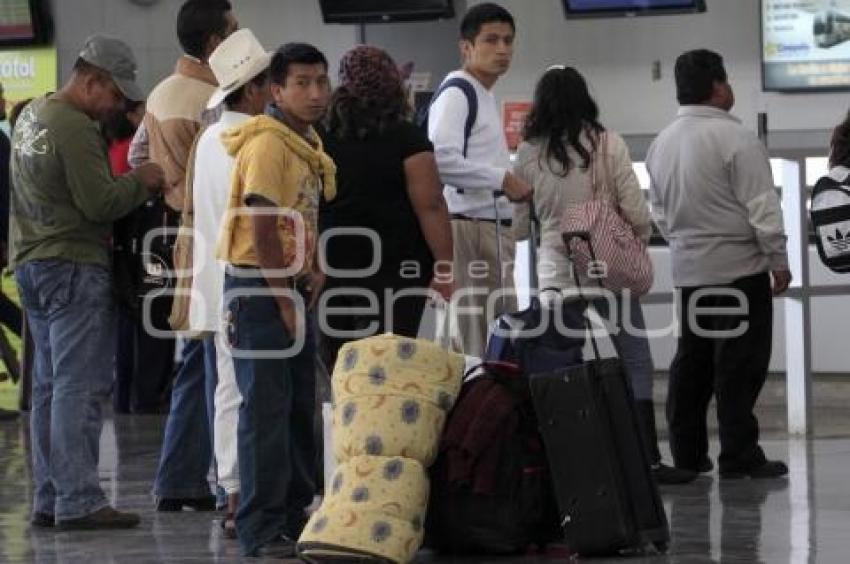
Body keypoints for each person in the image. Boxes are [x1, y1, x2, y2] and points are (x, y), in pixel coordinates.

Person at [514, 65, 697, 485]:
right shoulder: (608, 144)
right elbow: (635, 212)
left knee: (565, 367)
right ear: (585, 98)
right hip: (609, 272)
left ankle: (575, 461)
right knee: (633, 360)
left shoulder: (527, 154)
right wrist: (629, 239)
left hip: (555, 278)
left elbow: (520, 228)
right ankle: (646, 459)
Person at [10, 34, 164, 529]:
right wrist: (144, 180)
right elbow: (100, 203)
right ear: (91, 79)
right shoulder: (74, 126)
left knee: (50, 387)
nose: (117, 106)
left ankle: (51, 498)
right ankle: (79, 499)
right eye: (115, 94)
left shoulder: (33, 114)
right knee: (79, 386)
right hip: (74, 263)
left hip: (33, 261)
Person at [646, 49, 791, 479]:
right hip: (739, 271)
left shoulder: (661, 142)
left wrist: (685, 243)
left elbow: (658, 210)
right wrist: (777, 259)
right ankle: (739, 454)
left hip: (690, 272)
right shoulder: (738, 139)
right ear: (717, 87)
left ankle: (688, 456)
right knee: (738, 368)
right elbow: (763, 207)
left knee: (691, 364)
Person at [217, 42, 333, 558]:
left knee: (297, 407)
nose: (315, 93)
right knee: (265, 409)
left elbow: (300, 214)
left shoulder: (305, 141)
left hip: (290, 285)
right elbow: (260, 227)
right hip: (259, 290)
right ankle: (260, 529)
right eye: (302, 83)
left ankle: (291, 516)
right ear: (276, 90)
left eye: (321, 82)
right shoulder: (266, 144)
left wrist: (314, 264)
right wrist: (284, 299)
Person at [143, 0, 239, 512]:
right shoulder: (213, 100)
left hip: (177, 235)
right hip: (209, 237)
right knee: (214, 361)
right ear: (214, 44)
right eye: (234, 30)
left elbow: (140, 159)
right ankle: (217, 479)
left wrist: (170, 183)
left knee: (196, 359)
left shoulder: (160, 92)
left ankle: (179, 478)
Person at [320, 45, 454, 367]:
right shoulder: (408, 138)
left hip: (334, 265)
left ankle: (344, 416)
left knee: (341, 362)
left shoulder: (321, 136)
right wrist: (445, 265)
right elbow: (431, 205)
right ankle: (383, 417)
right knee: (388, 363)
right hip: (397, 269)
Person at [189, 28, 273, 539]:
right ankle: (256, 495)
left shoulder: (208, 138)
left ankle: (233, 491)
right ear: (258, 87)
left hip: (216, 280)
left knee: (226, 388)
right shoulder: (259, 139)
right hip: (251, 276)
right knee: (258, 392)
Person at [428, 2, 532, 359]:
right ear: (466, 47)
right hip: (467, 228)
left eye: (508, 40)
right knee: (475, 342)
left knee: (498, 339)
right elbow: (440, 160)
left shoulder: (481, 93)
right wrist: (502, 179)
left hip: (487, 228)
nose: (502, 49)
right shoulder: (459, 92)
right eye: (491, 40)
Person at [103, 99, 146, 415]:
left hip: (112, 247)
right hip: (132, 248)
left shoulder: (110, 150)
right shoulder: (134, 151)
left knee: (122, 323)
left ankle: (121, 398)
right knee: (136, 322)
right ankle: (139, 396)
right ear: (130, 115)